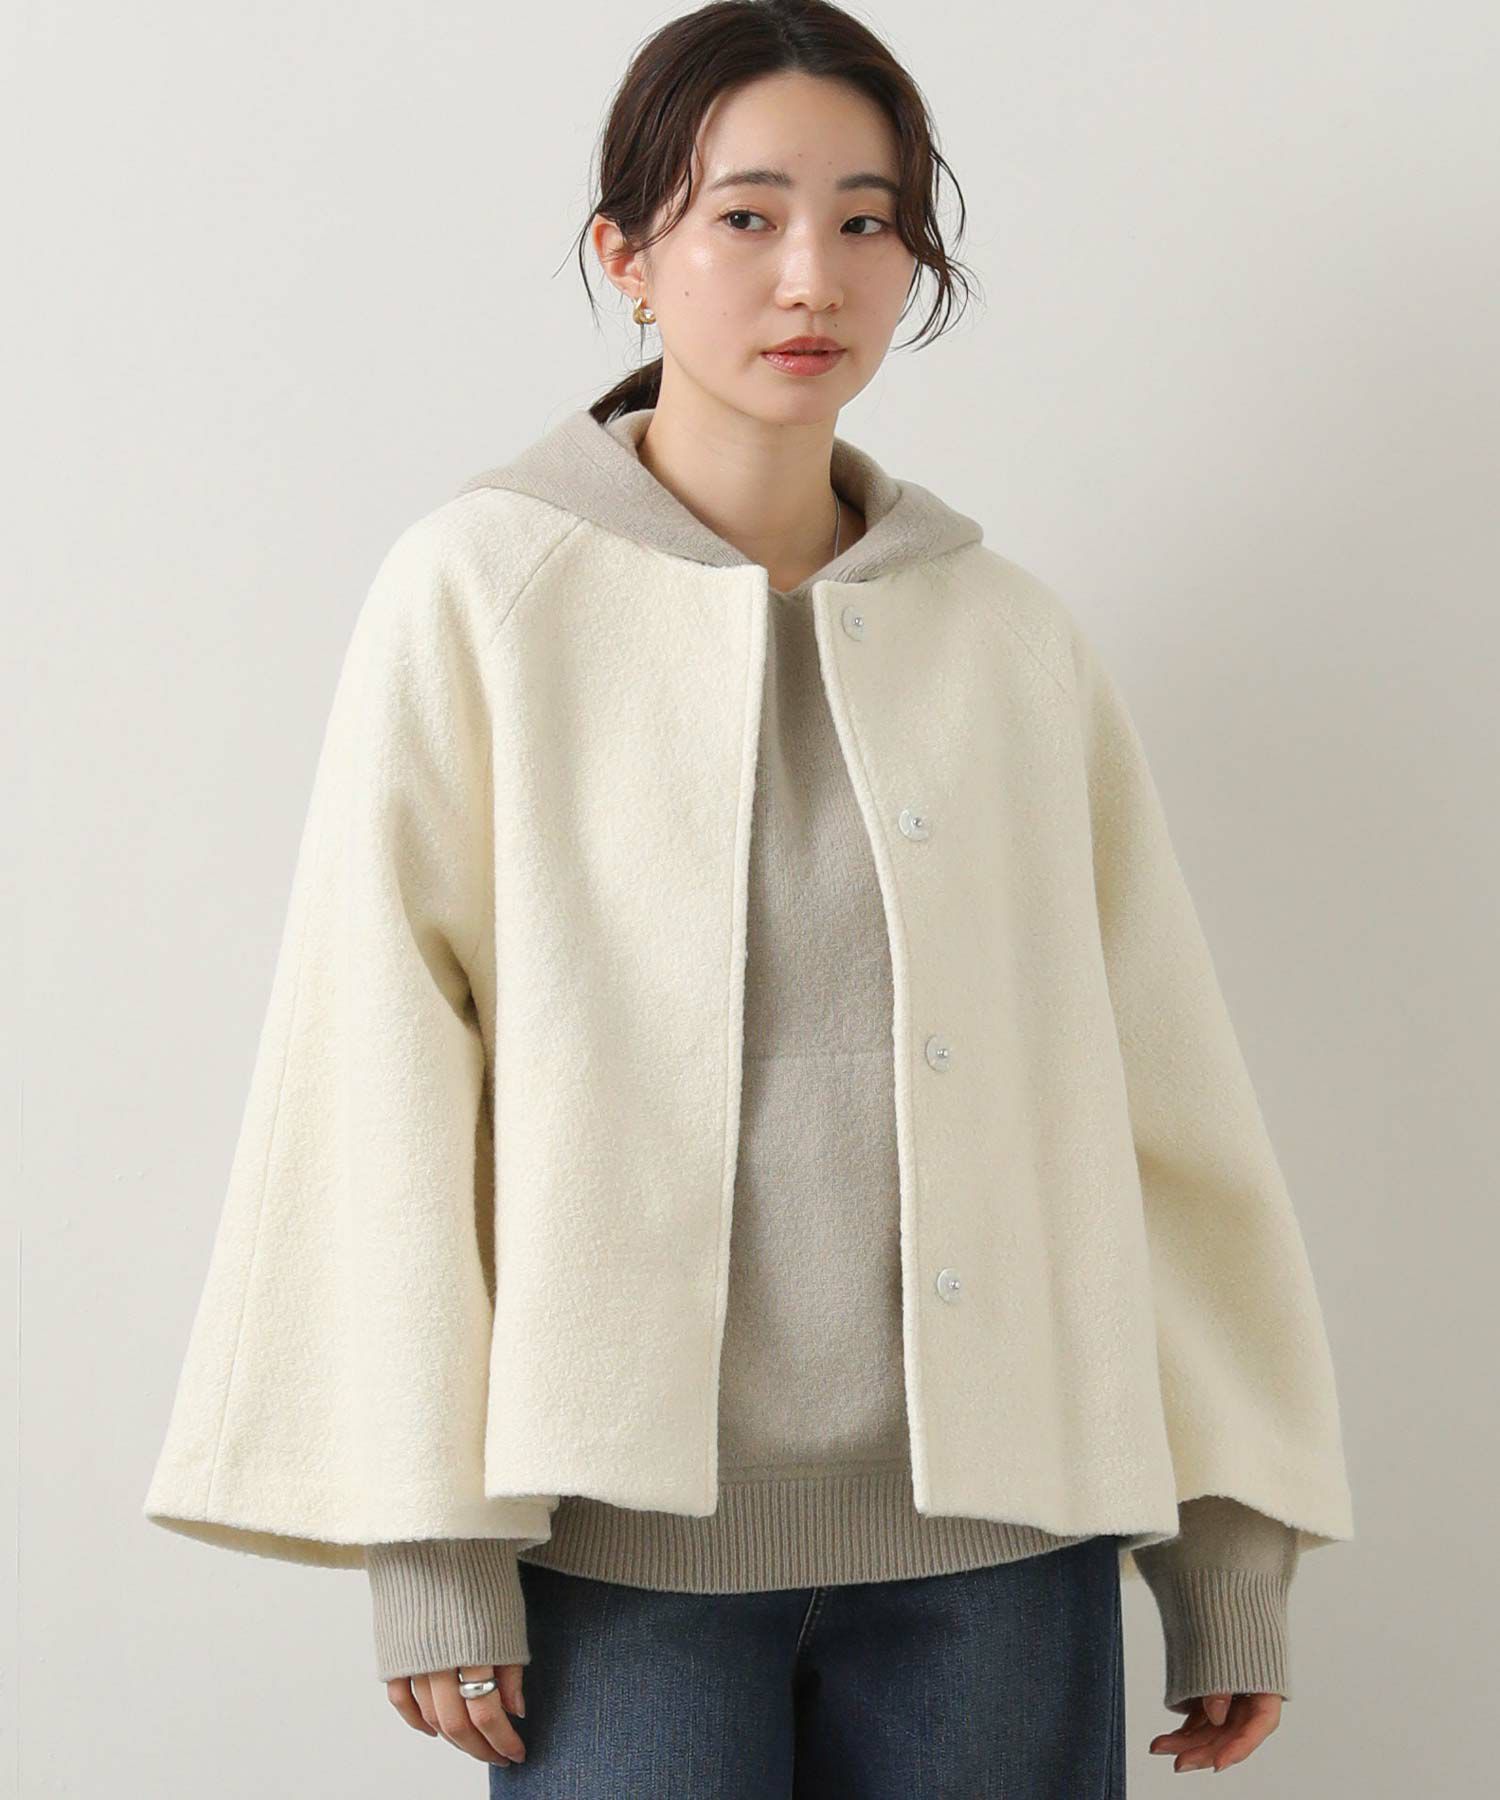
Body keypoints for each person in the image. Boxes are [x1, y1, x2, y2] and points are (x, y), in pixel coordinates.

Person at [142, 3, 1355, 1793]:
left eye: (869, 220)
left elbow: (1162, 1104)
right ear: (625, 256)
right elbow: (370, 1080)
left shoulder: (1007, 639)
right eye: (747, 215)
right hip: (614, 1562)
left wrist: (1230, 1545)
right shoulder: (481, 593)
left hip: (1003, 1558)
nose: (814, 276)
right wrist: (429, 1534)